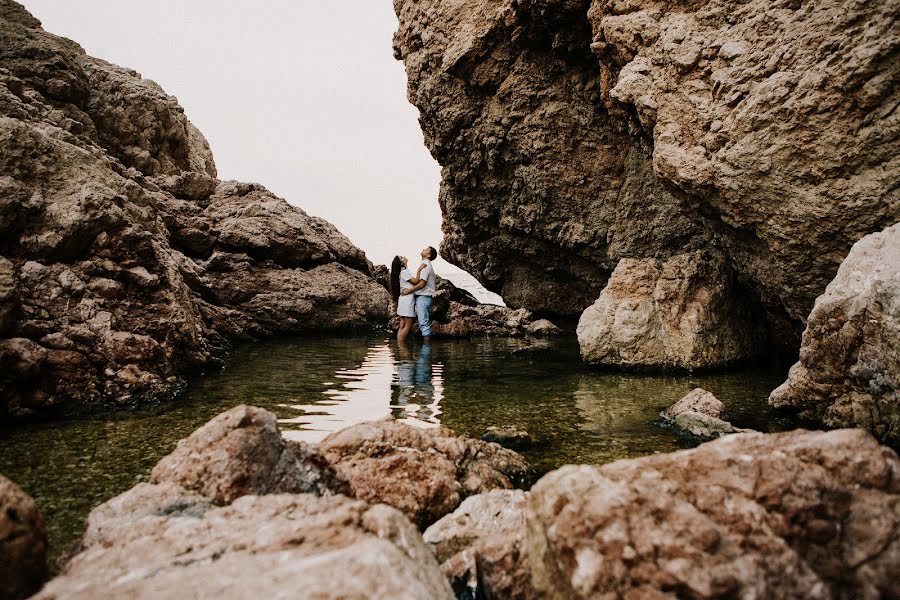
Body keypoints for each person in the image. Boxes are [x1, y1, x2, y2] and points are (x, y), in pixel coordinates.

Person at [401, 246, 438, 341]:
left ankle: (426, 351)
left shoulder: (426, 265)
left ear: (428, 255)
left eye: (426, 249)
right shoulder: (424, 264)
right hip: (422, 297)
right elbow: (418, 281)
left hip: (424, 297)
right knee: (422, 322)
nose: (423, 249)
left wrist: (408, 291)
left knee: (423, 324)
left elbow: (422, 284)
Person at [389, 255, 417, 342]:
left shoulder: (402, 272)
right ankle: (401, 347)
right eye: (401, 257)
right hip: (407, 301)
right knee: (408, 326)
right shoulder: (404, 272)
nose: (404, 256)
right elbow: (415, 281)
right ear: (401, 263)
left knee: (402, 325)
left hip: (403, 300)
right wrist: (420, 271)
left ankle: (399, 345)